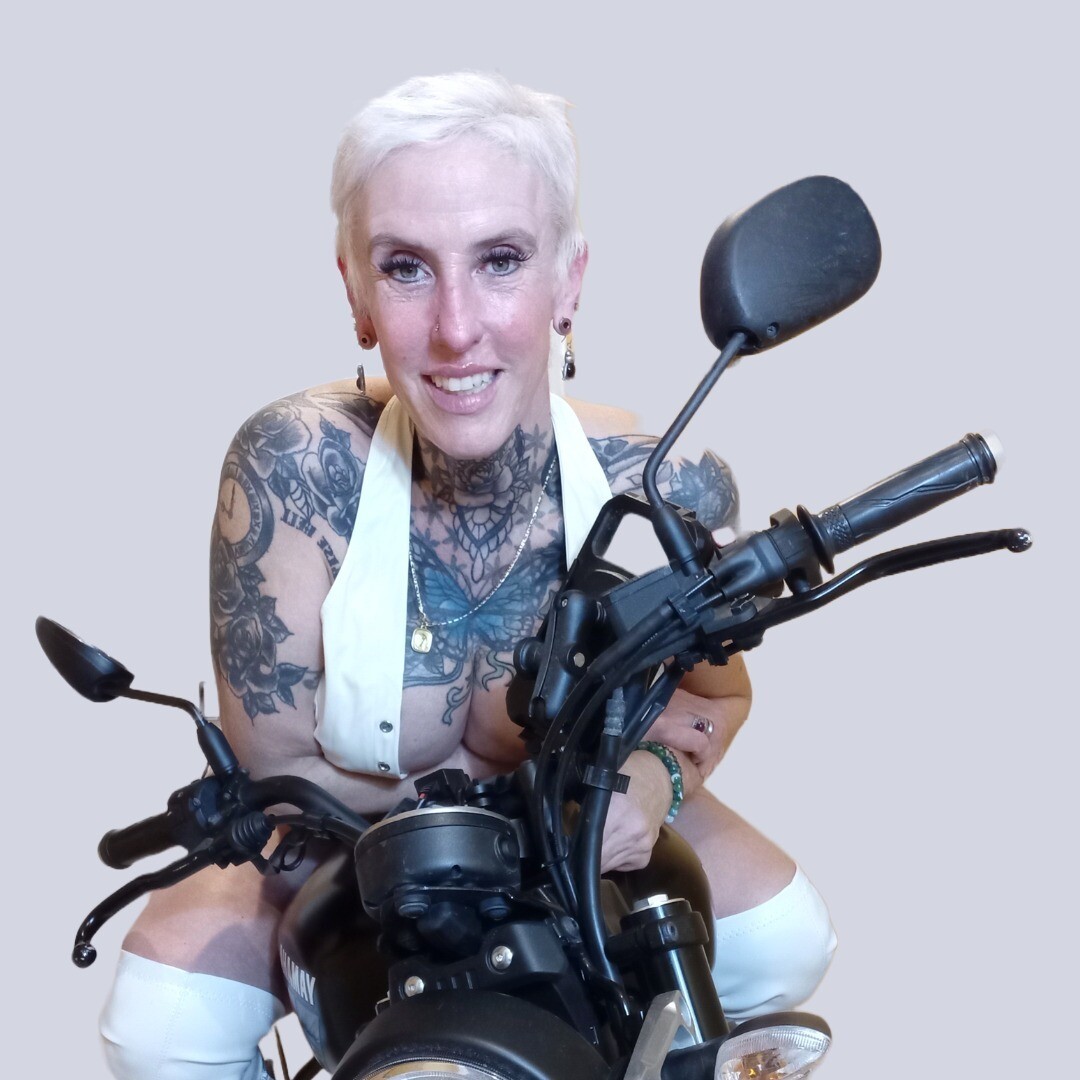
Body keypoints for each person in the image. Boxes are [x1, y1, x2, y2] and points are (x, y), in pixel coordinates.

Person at [99, 72, 836, 1080]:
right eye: (406, 268)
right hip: (346, 854)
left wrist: (655, 780)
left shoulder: (664, 487)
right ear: (356, 292)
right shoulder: (294, 471)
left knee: (786, 939)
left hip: (579, 835)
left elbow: (712, 700)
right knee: (162, 1025)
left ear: (568, 282)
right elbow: (276, 777)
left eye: (500, 260)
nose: (455, 327)